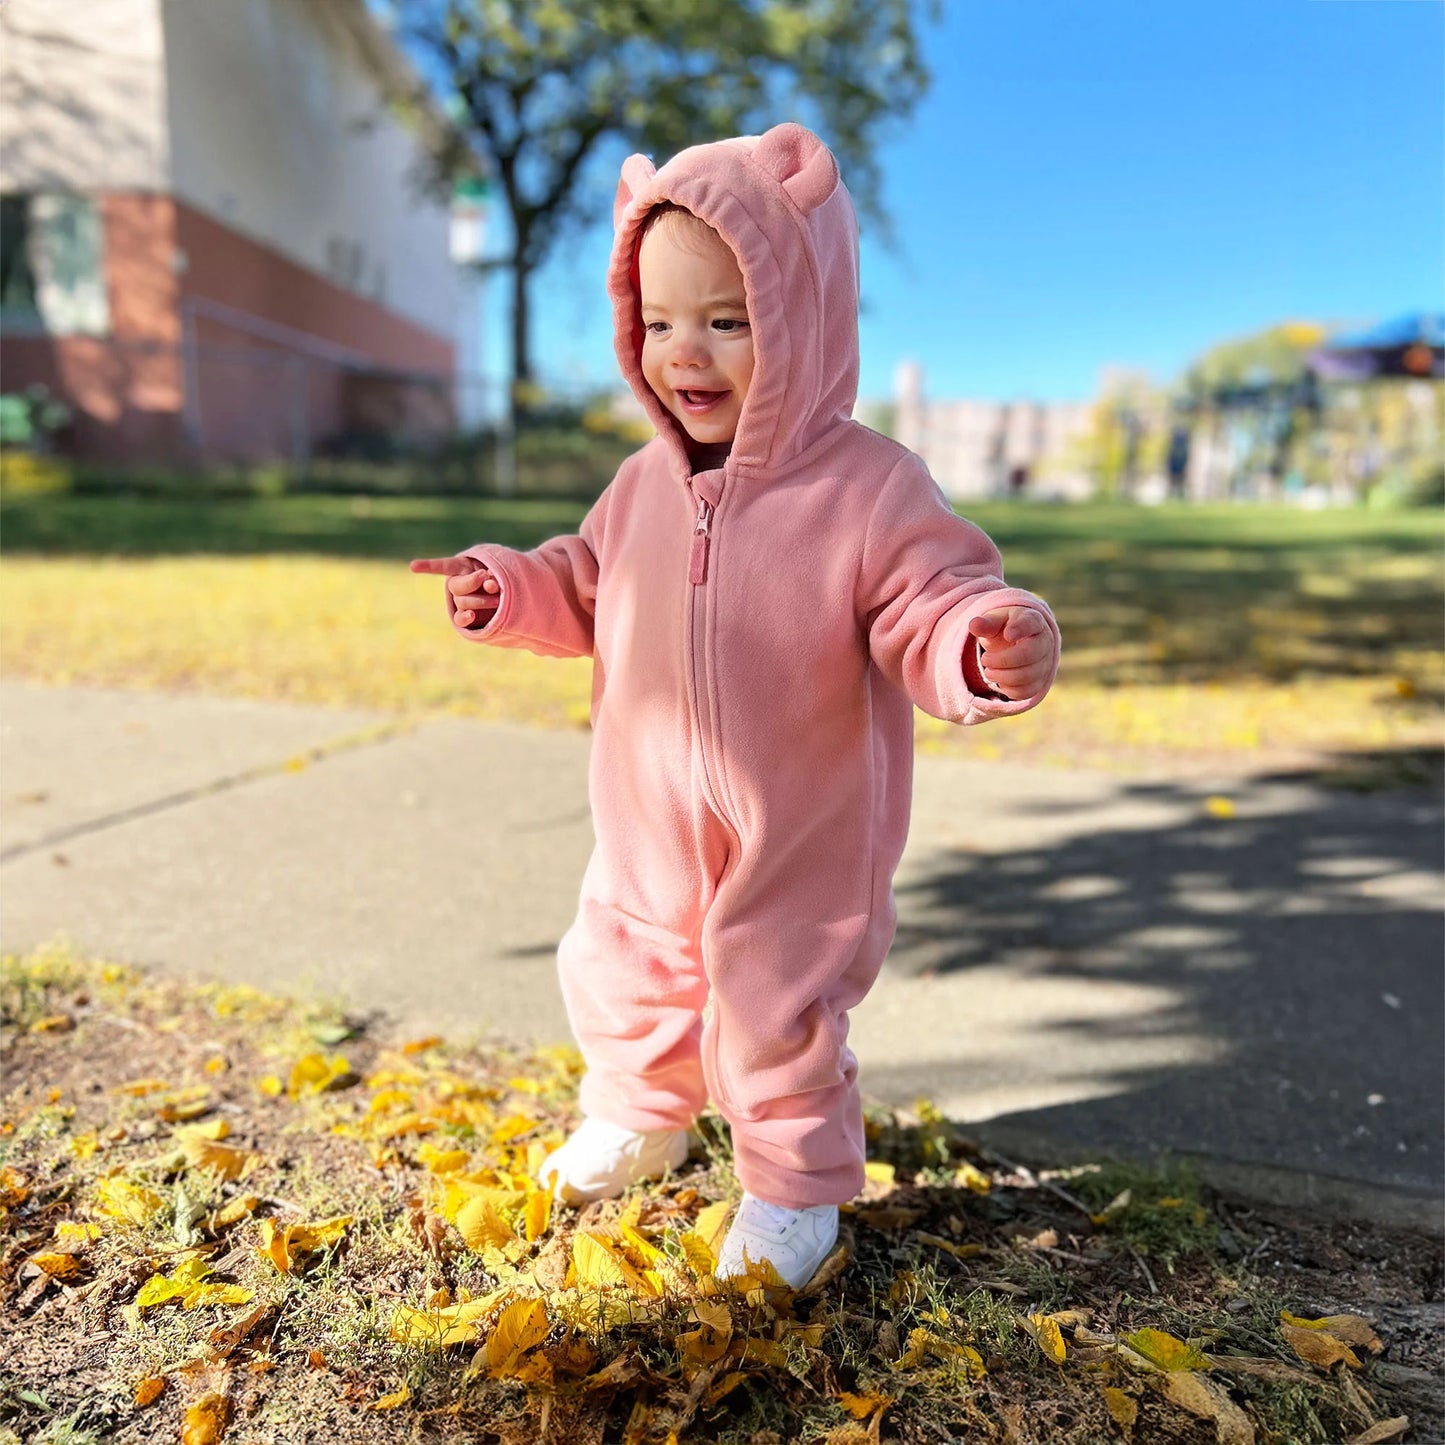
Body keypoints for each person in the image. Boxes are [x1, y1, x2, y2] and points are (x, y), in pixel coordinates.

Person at [411, 123, 1060, 1290]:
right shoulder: (639, 485)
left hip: (795, 830)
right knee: (621, 961)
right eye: (657, 323)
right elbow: (583, 584)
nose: (683, 354)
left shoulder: (867, 487)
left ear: (804, 316)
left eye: (726, 319)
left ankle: (791, 1184)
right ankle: (642, 1114)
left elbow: (930, 599)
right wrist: (511, 588)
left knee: (775, 1001)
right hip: (646, 818)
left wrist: (976, 643)